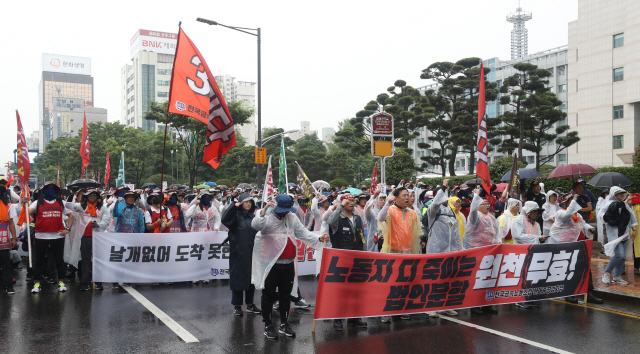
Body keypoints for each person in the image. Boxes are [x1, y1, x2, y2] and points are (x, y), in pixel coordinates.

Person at [251, 194, 329, 341]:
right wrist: (263, 210)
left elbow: (302, 233)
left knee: (285, 295)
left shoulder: (292, 217)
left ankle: (284, 323)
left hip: (288, 263)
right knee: (268, 294)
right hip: (271, 264)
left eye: (287, 209)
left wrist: (318, 238)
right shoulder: (266, 217)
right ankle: (268, 325)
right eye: (282, 209)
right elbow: (256, 225)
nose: (284, 212)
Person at [378, 187, 426, 321]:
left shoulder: (412, 212)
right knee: (392, 281)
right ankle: (387, 311)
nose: (407, 198)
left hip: (408, 251)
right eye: (404, 195)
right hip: (393, 251)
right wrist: (387, 203)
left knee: (406, 282)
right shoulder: (391, 209)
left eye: (409, 195)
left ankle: (402, 308)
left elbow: (417, 232)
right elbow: (381, 217)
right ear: (396, 197)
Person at [550, 194, 603, 304]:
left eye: (574, 201)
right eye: (571, 201)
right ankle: (569, 294)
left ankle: (589, 294)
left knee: (586, 268)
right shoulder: (560, 213)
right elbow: (568, 214)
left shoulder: (577, 214)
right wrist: (574, 199)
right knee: (569, 270)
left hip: (579, 246)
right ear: (566, 203)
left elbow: (583, 224)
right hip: (566, 248)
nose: (575, 202)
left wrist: (591, 228)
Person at [326, 194, 367, 330]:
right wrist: (339, 207)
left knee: (355, 290)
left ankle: (354, 317)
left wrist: (365, 255)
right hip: (342, 259)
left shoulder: (358, 218)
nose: (351, 202)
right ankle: (337, 318)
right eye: (348, 201)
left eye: (352, 200)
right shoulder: (338, 217)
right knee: (341, 291)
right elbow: (330, 222)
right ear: (342, 202)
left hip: (357, 258)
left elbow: (362, 237)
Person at [221, 193, 261, 317]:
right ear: (241, 203)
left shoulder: (253, 217)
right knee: (238, 280)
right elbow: (224, 220)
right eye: (246, 202)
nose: (248, 204)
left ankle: (250, 304)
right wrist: (234, 205)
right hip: (238, 254)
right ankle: (237, 306)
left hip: (252, 253)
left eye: (250, 202)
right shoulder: (235, 216)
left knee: (251, 280)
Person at [29, 182, 72, 293]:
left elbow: (71, 215)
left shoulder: (61, 202)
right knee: (39, 260)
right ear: (44, 190)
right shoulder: (37, 202)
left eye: (53, 188)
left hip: (57, 235)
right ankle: (37, 283)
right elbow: (27, 212)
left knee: (59, 260)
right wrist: (25, 203)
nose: (50, 190)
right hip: (41, 235)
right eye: (48, 188)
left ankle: (61, 282)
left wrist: (68, 228)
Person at [64, 189, 110, 291]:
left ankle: (98, 282)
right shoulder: (81, 206)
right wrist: (67, 197)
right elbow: (68, 205)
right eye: (90, 195)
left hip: (98, 237)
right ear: (86, 197)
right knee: (85, 261)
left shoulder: (102, 208)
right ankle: (85, 282)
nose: (92, 196)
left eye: (94, 195)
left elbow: (106, 220)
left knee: (97, 260)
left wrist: (98, 224)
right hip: (84, 237)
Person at [464, 189, 500, 315]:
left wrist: (499, 243)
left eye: (487, 204)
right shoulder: (474, 216)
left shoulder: (491, 217)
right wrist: (476, 196)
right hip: (477, 252)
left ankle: (487, 304)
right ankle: (474, 306)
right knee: (477, 279)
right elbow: (473, 209)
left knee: (489, 279)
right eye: (484, 204)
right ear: (477, 205)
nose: (487, 206)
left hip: (491, 252)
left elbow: (497, 232)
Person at [510, 201, 545, 309]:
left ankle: (530, 298)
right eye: (533, 211)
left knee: (532, 276)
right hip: (522, 253)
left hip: (533, 253)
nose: (535, 214)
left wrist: (541, 239)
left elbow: (538, 236)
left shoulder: (536, 223)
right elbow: (518, 236)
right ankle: (520, 299)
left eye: (536, 212)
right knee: (523, 276)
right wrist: (536, 238)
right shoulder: (519, 220)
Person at [601, 187, 636, 286]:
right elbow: (603, 217)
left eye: (623, 193)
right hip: (614, 235)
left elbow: (632, 217)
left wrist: (634, 229)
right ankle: (606, 273)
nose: (622, 195)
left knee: (623, 256)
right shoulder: (607, 205)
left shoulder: (624, 205)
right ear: (614, 194)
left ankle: (617, 276)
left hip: (625, 234)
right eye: (619, 193)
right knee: (619, 254)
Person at [0, 185, 18, 294]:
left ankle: (8, 286)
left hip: (4, 241)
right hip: (4, 240)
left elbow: (11, 224)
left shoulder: (9, 206)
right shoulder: (9, 206)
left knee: (6, 264)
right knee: (6, 264)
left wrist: (14, 238)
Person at [364, 188, 386, 252]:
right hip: (374, 244)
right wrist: (374, 197)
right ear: (375, 201)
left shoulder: (387, 213)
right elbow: (367, 208)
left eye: (384, 200)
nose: (383, 201)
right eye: (381, 199)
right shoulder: (371, 213)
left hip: (385, 243)